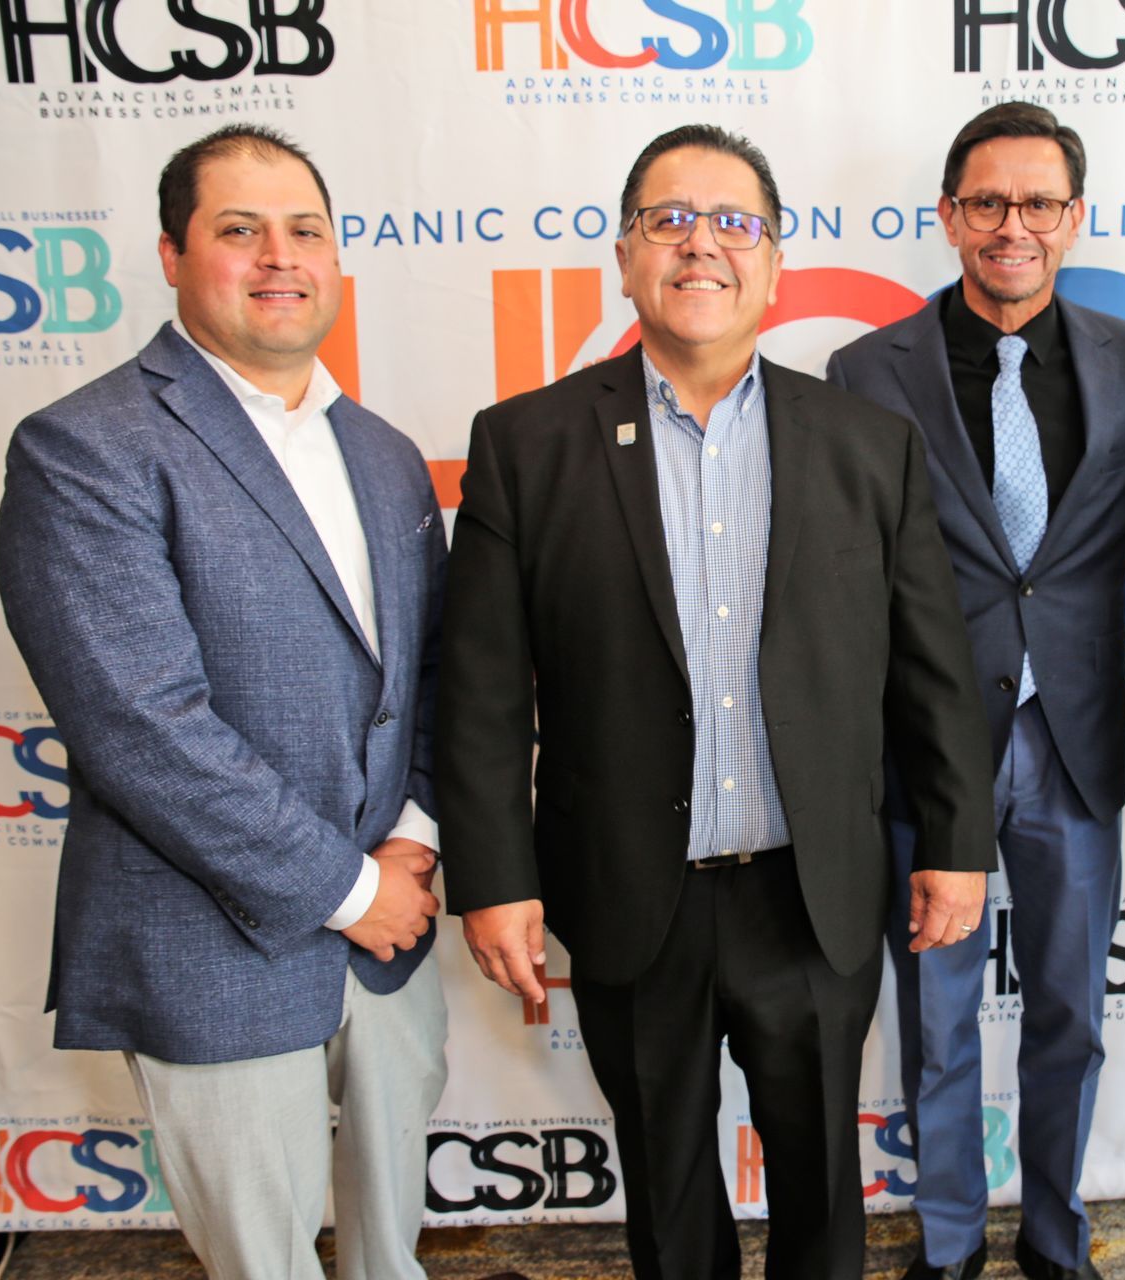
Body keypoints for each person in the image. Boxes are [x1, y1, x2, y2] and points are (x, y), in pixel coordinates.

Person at [435, 124, 996, 1280]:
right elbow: (483, 691)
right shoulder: (526, 444)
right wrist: (495, 876)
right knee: (669, 1195)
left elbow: (930, 666)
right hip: (635, 895)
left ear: (774, 262)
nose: (703, 246)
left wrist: (957, 839)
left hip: (813, 891)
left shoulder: (866, 444)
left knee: (821, 1199)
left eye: (734, 222)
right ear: (627, 257)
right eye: (668, 221)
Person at [0, 124, 447, 1280]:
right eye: (238, 230)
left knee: (393, 1255)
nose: (278, 257)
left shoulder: (385, 453)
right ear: (170, 252)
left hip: (391, 931)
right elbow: (141, 728)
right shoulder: (84, 448)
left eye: (304, 230)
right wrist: (351, 890)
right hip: (214, 942)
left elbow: (437, 672)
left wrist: (413, 835)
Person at [826, 102, 1125, 1280]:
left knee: (1071, 1017)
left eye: (1039, 203)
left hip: (1077, 741)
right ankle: (945, 1246)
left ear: (1074, 218)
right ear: (948, 217)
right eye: (987, 202)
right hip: (927, 748)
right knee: (936, 1025)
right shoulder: (862, 370)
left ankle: (1054, 1234)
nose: (1013, 226)